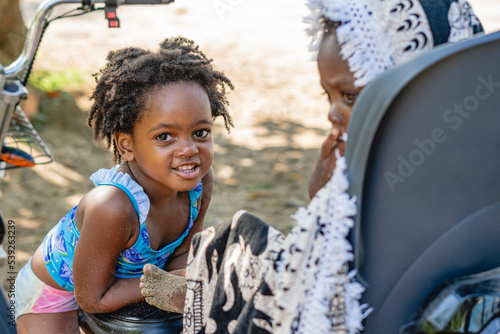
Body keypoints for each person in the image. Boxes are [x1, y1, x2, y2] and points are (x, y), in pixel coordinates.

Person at [141, 1, 484, 333]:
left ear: (410, 89)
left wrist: (329, 197)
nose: (332, 114)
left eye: (349, 96)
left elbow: (332, 270)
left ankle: (205, 293)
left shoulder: (391, 188)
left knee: (235, 239)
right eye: (328, 96)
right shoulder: (468, 156)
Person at [14, 36, 234, 333]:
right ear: (126, 145)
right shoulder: (112, 206)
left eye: (200, 132)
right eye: (164, 137)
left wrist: (183, 276)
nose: (188, 149)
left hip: (121, 287)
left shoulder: (198, 185)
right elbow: (93, 298)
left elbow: (181, 253)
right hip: (57, 295)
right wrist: (160, 286)